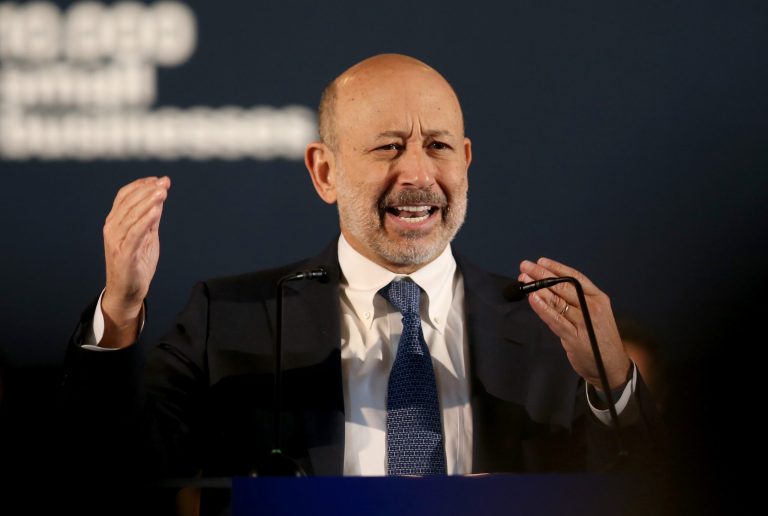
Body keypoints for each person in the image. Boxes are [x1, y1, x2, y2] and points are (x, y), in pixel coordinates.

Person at [60, 54, 665, 513]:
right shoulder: (233, 318)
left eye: (437, 146)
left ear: (466, 161)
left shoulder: (546, 330)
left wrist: (613, 382)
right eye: (388, 147)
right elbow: (118, 469)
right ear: (325, 171)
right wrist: (121, 311)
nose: (418, 173)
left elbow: (650, 489)